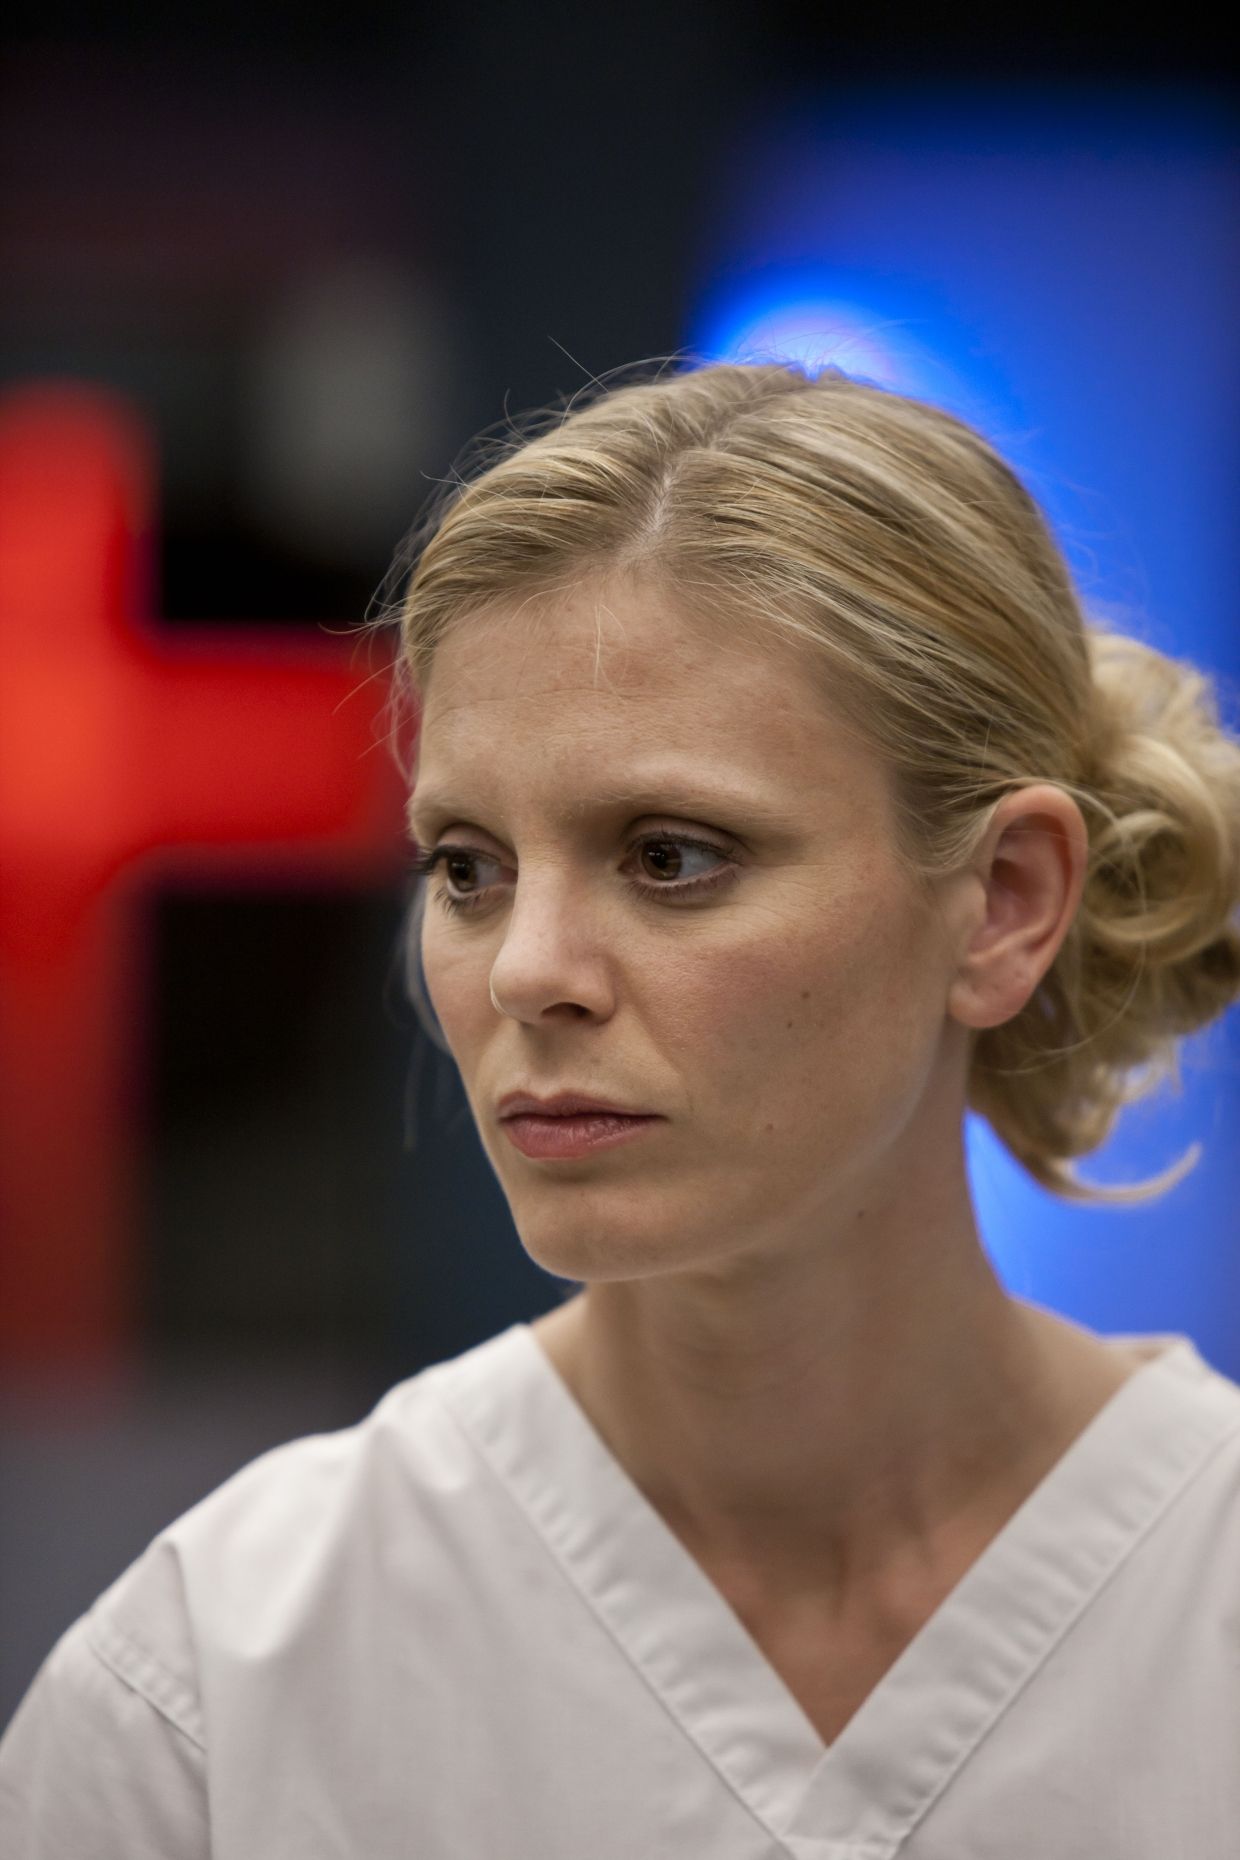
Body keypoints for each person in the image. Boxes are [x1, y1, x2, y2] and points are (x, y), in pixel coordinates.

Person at [3, 359, 1240, 1857]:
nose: (525, 971)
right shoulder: (218, 1684)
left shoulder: (1205, 1598)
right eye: (468, 868)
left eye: (671, 856)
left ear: (1005, 901)